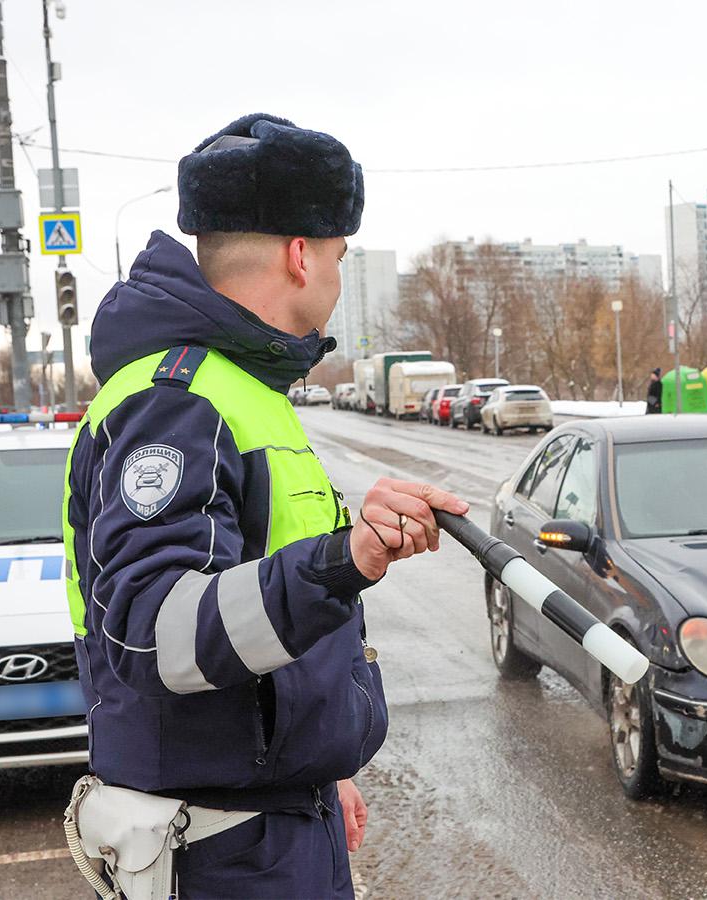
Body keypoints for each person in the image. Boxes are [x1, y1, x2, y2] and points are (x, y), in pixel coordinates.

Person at [62, 113, 468, 898]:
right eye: (341, 256)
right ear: (300, 254)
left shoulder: (244, 393)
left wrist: (322, 767)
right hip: (223, 851)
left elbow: (256, 612)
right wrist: (343, 559)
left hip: (269, 823)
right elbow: (156, 634)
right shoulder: (175, 401)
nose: (339, 276)